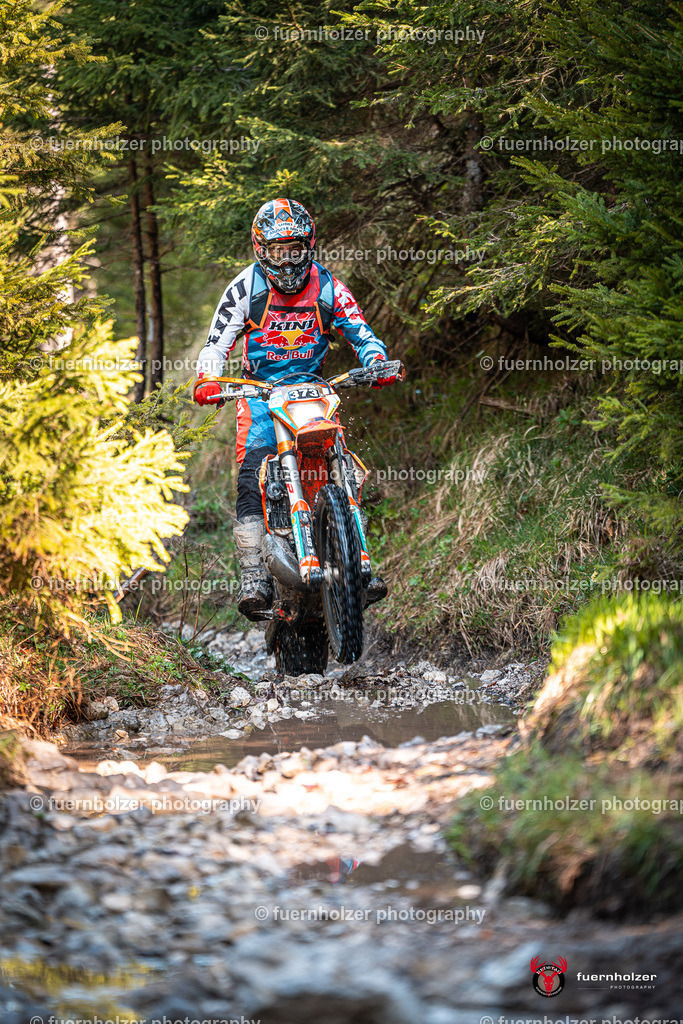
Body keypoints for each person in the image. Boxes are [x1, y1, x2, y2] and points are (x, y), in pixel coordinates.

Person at [194, 197, 399, 618]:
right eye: (277, 251)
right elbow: (216, 344)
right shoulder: (245, 288)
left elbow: (360, 330)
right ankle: (253, 577)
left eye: (295, 251)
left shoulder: (327, 286)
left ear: (309, 247)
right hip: (259, 393)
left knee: (341, 463)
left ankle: (358, 558)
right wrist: (207, 379)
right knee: (252, 476)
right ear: (260, 250)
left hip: (314, 391)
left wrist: (376, 361)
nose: (287, 263)